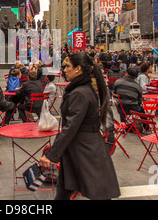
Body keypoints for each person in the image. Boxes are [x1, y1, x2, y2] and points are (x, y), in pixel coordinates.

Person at [39, 52, 121, 200]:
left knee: (98, 193)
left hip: (86, 150)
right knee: (64, 190)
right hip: (79, 148)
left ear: (78, 69)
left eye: (68, 66)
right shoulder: (82, 90)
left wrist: (51, 154)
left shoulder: (80, 93)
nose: (64, 70)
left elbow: (71, 126)